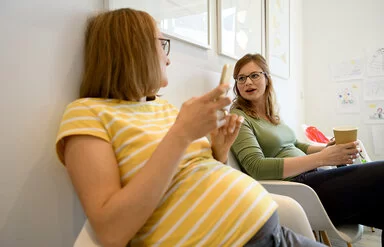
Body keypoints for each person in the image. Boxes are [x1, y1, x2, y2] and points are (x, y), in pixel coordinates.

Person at [55, 8, 326, 247]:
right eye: (162, 45)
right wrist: (182, 133)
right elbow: (111, 232)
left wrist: (219, 152)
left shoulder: (160, 107)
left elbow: (191, 176)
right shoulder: (87, 113)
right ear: (133, 48)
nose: (168, 59)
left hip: (273, 230)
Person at [230, 53, 384, 246]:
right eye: (241, 78)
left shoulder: (271, 115)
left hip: (313, 177)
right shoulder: (239, 118)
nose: (247, 82)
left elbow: (295, 145)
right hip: (299, 188)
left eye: (254, 75)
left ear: (267, 78)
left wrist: (328, 148)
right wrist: (322, 158)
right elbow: (256, 167)